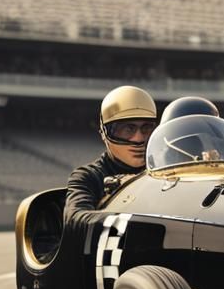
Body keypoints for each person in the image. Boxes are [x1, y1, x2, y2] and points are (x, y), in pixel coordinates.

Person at [64, 85, 156, 230]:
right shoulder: (88, 176)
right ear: (104, 132)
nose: (138, 139)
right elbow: (75, 218)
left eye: (146, 128)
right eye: (128, 129)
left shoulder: (166, 171)